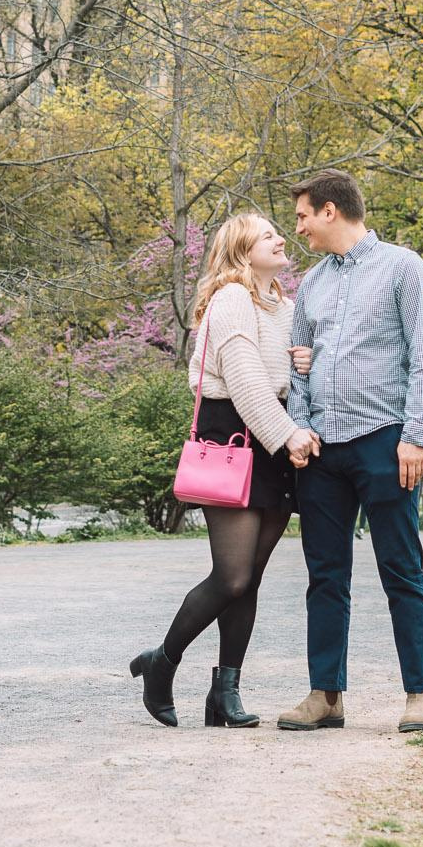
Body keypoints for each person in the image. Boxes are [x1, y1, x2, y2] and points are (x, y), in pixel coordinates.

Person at [129, 212, 321, 728]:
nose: (282, 238)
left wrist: (304, 363)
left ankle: (225, 692)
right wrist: (288, 436)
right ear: (241, 251)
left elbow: (281, 376)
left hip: (275, 436)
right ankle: (161, 663)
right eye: (267, 235)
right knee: (232, 575)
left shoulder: (287, 305)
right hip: (238, 435)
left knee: (251, 579)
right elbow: (244, 382)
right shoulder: (231, 299)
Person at [278, 169, 423, 733]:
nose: (297, 228)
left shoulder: (403, 267)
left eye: (302, 216)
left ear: (329, 211)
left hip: (385, 439)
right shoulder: (313, 286)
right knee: (325, 575)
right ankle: (326, 695)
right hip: (322, 448)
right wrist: (298, 426)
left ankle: (419, 694)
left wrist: (416, 435)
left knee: (401, 567)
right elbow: (298, 362)